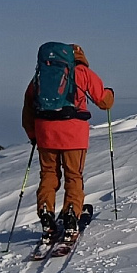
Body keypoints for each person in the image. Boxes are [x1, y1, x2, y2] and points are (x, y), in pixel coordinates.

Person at [22, 43, 114, 247]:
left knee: (48, 174)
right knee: (73, 175)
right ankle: (71, 214)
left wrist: (33, 134)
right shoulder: (83, 73)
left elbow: (28, 105)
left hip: (45, 133)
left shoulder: (41, 76)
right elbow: (103, 101)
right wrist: (110, 93)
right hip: (73, 133)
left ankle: (46, 213)